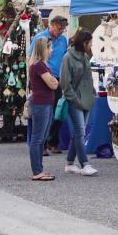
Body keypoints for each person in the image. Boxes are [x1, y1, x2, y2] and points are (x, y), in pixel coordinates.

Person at [28, 15, 69, 154]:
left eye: (63, 29)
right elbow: (31, 57)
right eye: (59, 28)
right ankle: (43, 144)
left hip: (57, 78)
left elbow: (64, 59)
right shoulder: (40, 38)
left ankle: (53, 141)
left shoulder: (63, 40)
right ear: (51, 25)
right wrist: (31, 79)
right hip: (42, 78)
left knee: (59, 111)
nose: (61, 31)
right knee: (45, 112)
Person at [60, 29, 98, 176]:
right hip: (75, 100)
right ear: (84, 42)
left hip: (87, 99)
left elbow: (88, 77)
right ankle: (85, 164)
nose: (92, 45)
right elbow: (65, 82)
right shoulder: (67, 58)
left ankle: (69, 163)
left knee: (78, 133)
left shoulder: (85, 56)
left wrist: (93, 92)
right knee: (80, 133)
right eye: (90, 42)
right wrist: (74, 99)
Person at [28, 37, 59, 181]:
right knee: (37, 138)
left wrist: (54, 81)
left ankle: (39, 169)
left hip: (45, 103)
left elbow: (54, 83)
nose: (51, 50)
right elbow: (53, 84)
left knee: (41, 138)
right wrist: (54, 81)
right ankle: (36, 171)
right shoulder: (39, 65)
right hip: (41, 104)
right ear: (44, 49)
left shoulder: (42, 65)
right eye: (49, 47)